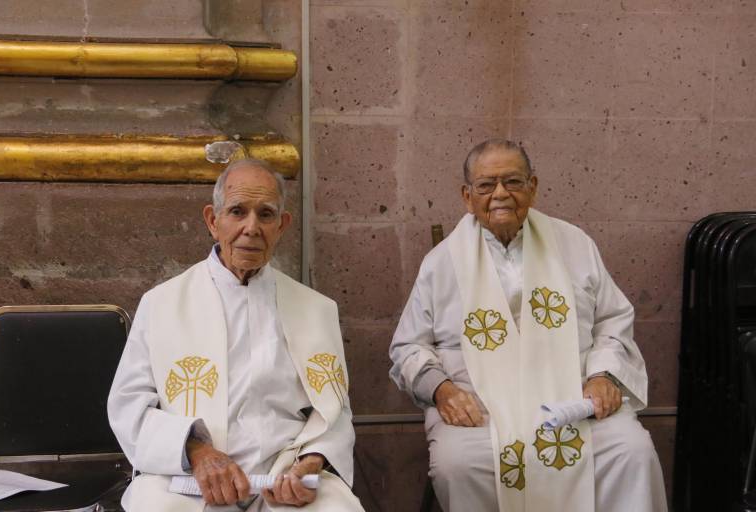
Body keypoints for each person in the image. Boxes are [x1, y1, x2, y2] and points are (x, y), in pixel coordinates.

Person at [389, 139, 667, 512]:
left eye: (513, 182)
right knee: (459, 466)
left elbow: (612, 319)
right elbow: (408, 347)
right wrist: (442, 391)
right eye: (486, 185)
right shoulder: (441, 263)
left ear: (533, 187)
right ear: (467, 196)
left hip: (572, 399)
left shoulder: (575, 244)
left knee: (631, 451)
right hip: (481, 409)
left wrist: (604, 376)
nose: (500, 194)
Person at [108, 159, 364, 512]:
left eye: (266, 214)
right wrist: (197, 451)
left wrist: (310, 461)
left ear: (282, 226)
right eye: (238, 211)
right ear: (213, 221)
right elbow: (129, 406)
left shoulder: (317, 310)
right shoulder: (162, 304)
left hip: (283, 478)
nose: (251, 227)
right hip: (189, 479)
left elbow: (335, 412)